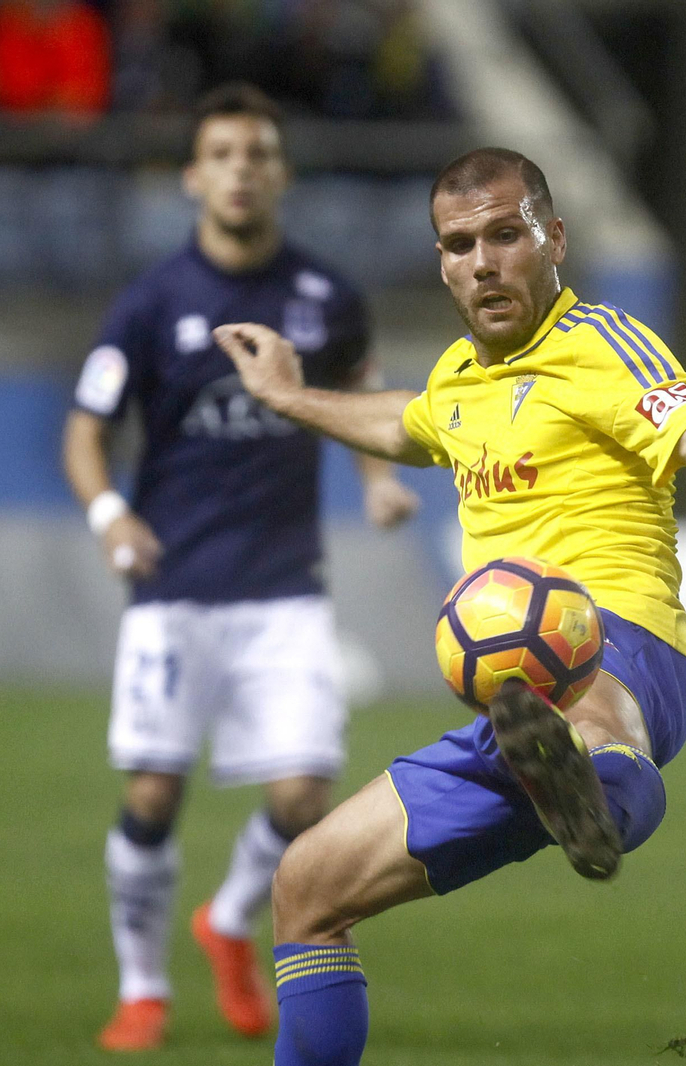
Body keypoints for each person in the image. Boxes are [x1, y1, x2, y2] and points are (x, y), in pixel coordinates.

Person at [210, 146, 686, 1066]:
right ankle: (572, 781)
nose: (482, 261)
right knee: (306, 888)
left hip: (622, 646)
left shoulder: (601, 342)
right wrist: (288, 394)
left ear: (552, 238)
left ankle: (603, 791)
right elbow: (402, 422)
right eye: (457, 244)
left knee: (584, 710)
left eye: (503, 234)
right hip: (516, 702)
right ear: (441, 262)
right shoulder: (459, 379)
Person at [61, 83, 420, 1052]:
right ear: (191, 175)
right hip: (172, 590)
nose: (240, 170)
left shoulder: (324, 297)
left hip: (285, 589)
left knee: (304, 795)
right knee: (151, 793)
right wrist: (108, 512)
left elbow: (354, 397)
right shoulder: (151, 303)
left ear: (281, 174)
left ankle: (224, 918)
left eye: (257, 153)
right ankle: (142, 989)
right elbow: (85, 430)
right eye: (220, 153)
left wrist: (377, 480)